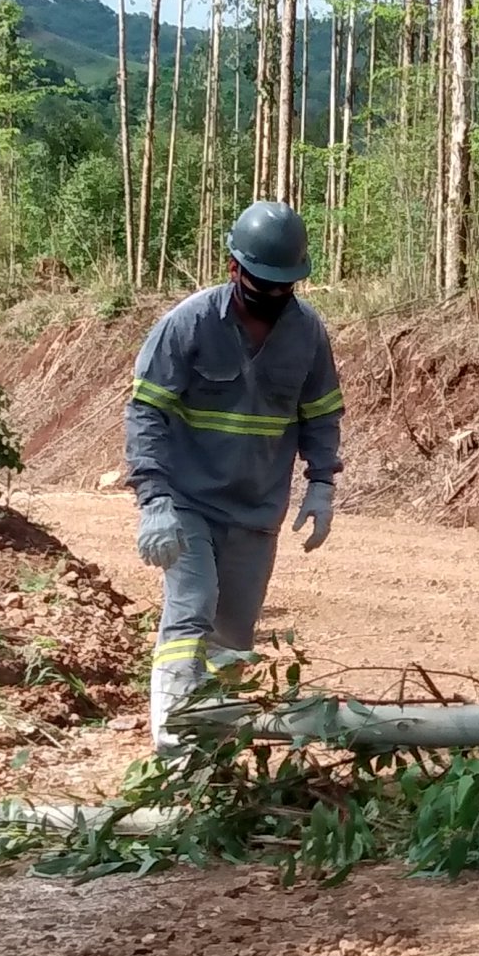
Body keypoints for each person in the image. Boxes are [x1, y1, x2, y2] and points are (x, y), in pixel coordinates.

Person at [127, 200, 343, 747]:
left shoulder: (307, 332)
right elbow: (147, 410)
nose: (271, 297)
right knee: (191, 612)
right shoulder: (189, 323)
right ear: (233, 269)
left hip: (256, 511)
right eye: (260, 283)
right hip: (188, 502)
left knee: (232, 640)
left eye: (282, 286)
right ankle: (173, 745)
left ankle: (210, 753)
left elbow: (320, 411)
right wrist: (153, 499)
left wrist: (322, 483)